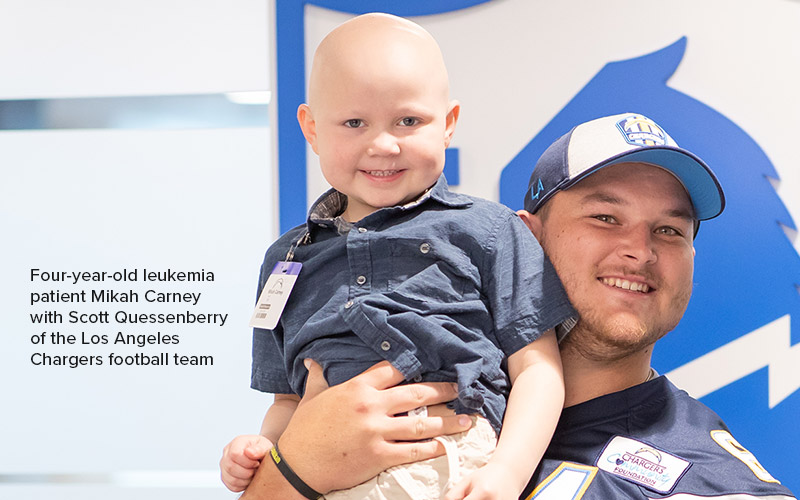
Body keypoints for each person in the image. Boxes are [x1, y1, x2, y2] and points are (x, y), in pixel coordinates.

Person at [226, 112, 796, 499]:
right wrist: (293, 467)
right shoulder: (379, 403)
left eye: (671, 231)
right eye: (605, 217)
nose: (639, 251)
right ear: (525, 238)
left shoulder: (707, 479)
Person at [227, 12, 575, 500]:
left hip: (453, 462)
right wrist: (264, 449)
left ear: (448, 124)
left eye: (408, 121)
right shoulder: (284, 259)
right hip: (324, 480)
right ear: (311, 129)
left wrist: (508, 472)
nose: (384, 145)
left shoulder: (490, 229)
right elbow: (289, 398)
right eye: (353, 122)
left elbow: (538, 370)